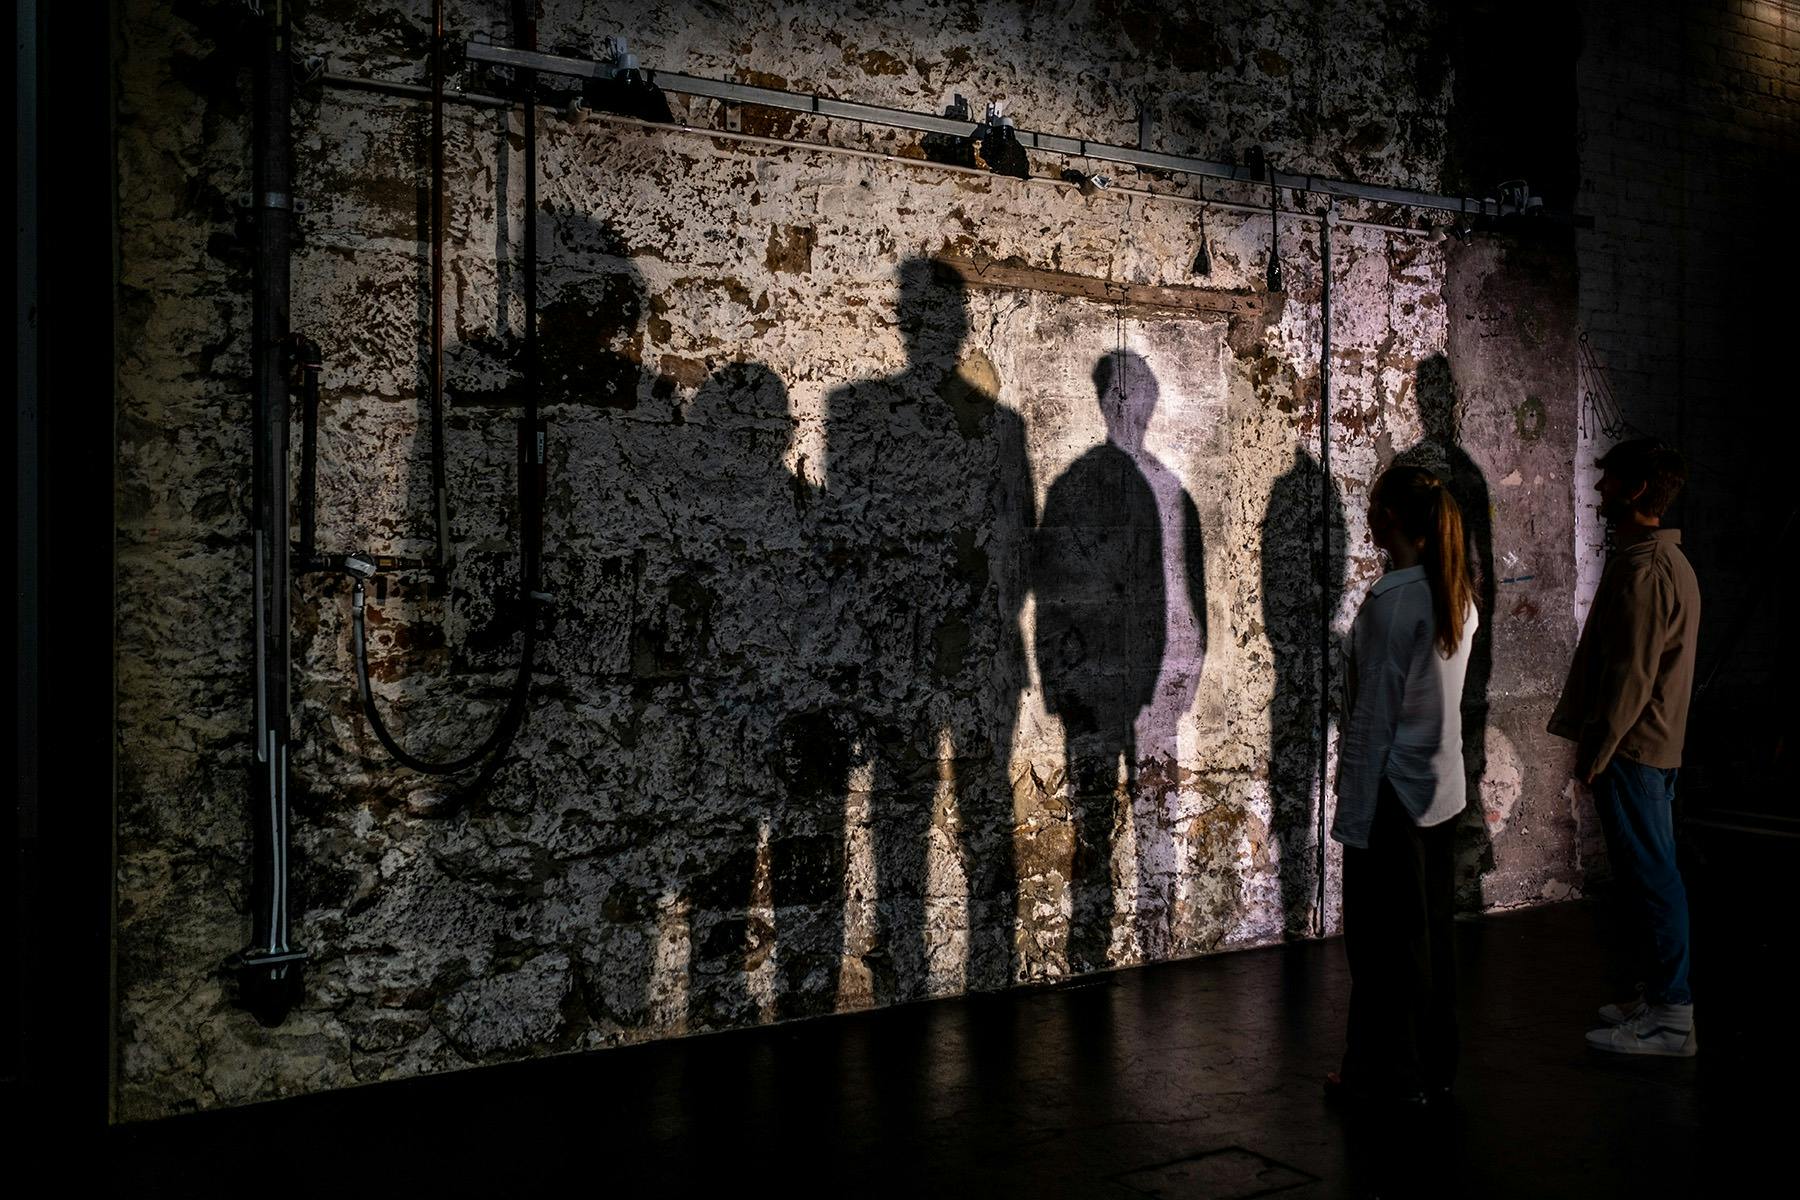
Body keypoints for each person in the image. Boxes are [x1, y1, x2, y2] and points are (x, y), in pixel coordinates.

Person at [1327, 464, 1478, 1108]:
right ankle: (1430, 1066)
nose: (1368, 514)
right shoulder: (1457, 594)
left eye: (1373, 505)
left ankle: (1387, 1075)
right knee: (1430, 938)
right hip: (1440, 789)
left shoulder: (1393, 603)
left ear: (1389, 519)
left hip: (1393, 794)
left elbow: (1372, 721)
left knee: (1381, 947)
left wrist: (1352, 814)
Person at [1549, 437, 1699, 1056]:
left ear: (1637, 489)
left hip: (1634, 751)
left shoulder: (1645, 572)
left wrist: (1595, 754)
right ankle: (1662, 998)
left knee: (1655, 880)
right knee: (1650, 878)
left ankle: (1671, 1018)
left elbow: (1631, 680)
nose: (1599, 488)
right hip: (1644, 750)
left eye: (1610, 480)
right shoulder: (1657, 561)